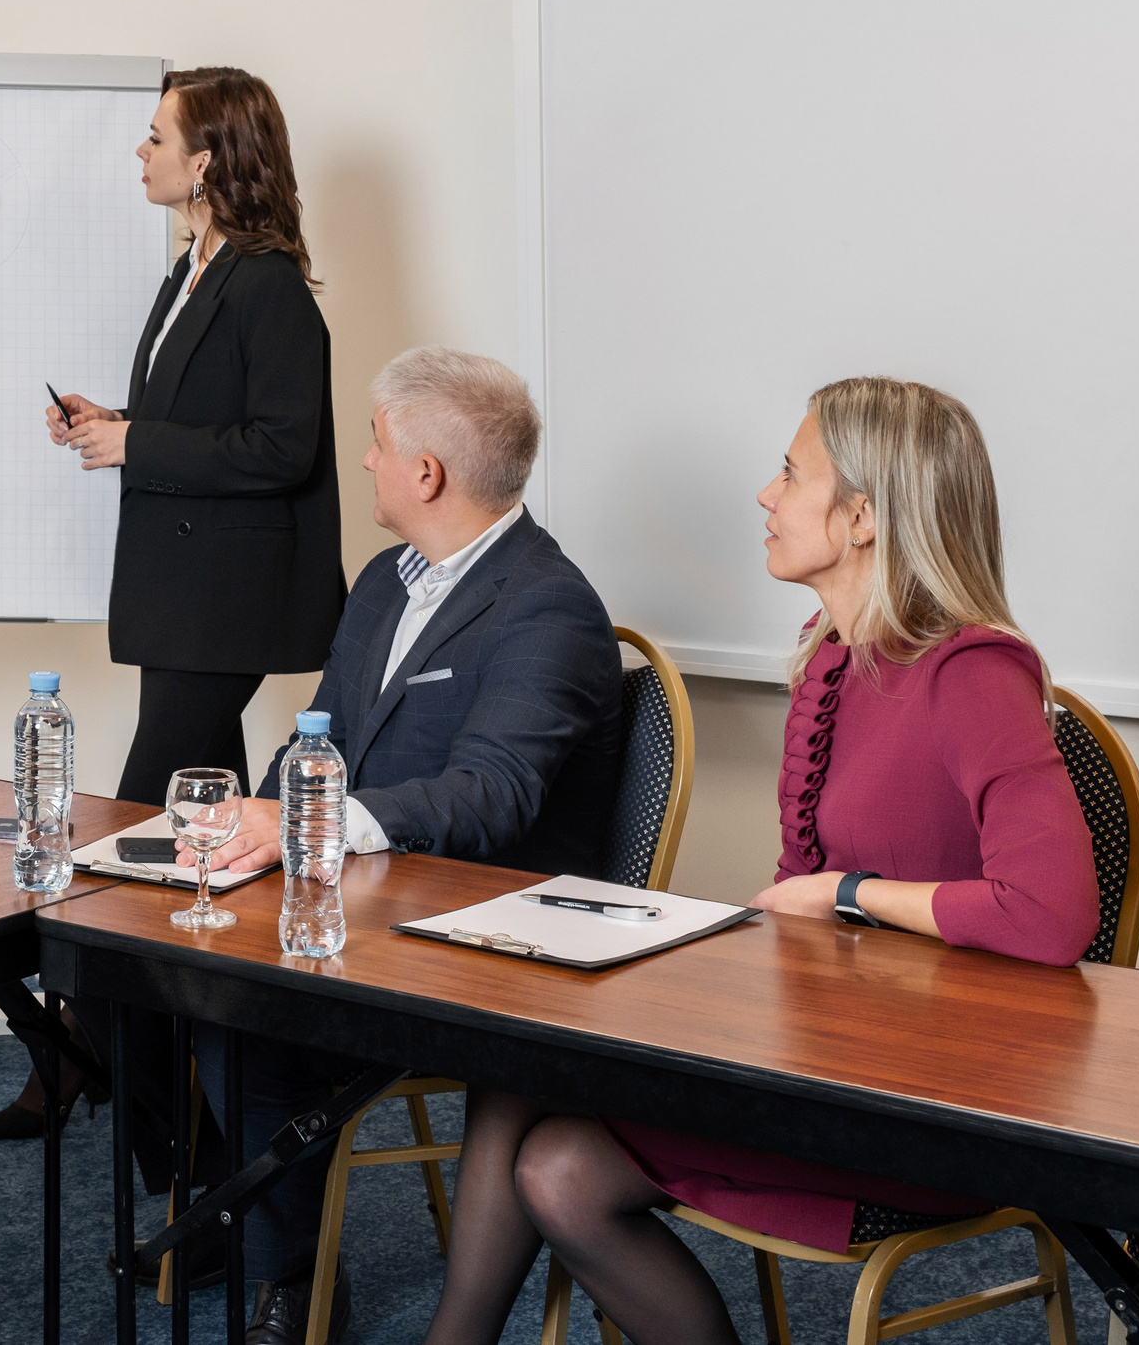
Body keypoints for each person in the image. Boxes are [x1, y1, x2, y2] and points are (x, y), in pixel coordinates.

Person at [415, 377, 1100, 1345]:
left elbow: (1048, 913)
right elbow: (796, 924)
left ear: (862, 517)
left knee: (534, 1094)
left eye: (789, 473)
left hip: (927, 1100)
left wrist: (850, 894)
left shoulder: (971, 672)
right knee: (547, 1145)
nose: (764, 495)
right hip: (819, 1060)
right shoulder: (830, 661)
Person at [112, 346, 625, 1343]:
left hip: (480, 941)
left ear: (425, 473)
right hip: (355, 902)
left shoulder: (547, 608)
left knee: (234, 1010)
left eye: (378, 445)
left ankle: (287, 1275)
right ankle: (246, 1214)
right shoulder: (390, 579)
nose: (364, 462)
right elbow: (320, 742)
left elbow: (492, 796)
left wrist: (300, 827)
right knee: (131, 971)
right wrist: (244, 830)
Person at [0, 67, 347, 1141]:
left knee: (140, 851)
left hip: (225, 600)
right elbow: (207, 412)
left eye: (154, 139)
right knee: (191, 859)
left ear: (204, 161)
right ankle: (170, 1084)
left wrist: (138, 442)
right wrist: (121, 417)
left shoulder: (268, 282)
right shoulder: (193, 266)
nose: (136, 154)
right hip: (180, 588)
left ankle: (142, 1093)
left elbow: (284, 446)